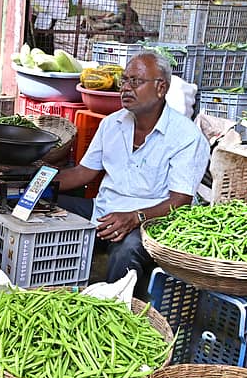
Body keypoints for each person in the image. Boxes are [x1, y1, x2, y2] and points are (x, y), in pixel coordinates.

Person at [55, 52, 210, 285]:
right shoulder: (111, 124)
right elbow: (82, 173)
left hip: (151, 221)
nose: (126, 88)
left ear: (161, 88)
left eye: (135, 81)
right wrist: (35, 181)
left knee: (126, 251)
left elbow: (180, 201)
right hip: (104, 211)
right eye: (124, 80)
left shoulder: (186, 137)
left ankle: (117, 305)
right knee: (41, 205)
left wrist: (135, 217)